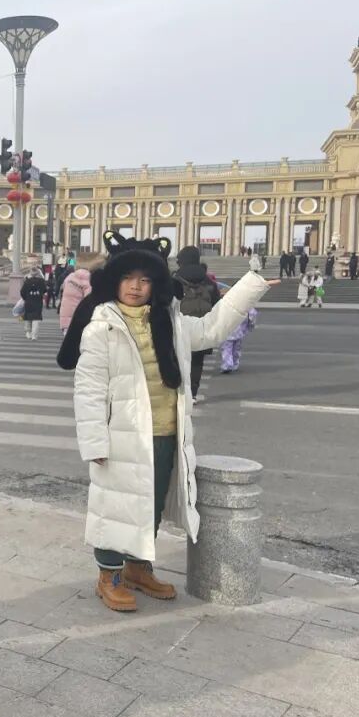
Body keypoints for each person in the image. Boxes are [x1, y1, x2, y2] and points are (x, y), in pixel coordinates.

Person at [57, 231, 272, 613]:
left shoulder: (170, 323)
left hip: (166, 430)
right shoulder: (101, 327)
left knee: (151, 503)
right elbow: (87, 390)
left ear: (154, 284)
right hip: (120, 435)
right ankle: (109, 575)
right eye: (127, 279)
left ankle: (138, 567)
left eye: (144, 280)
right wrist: (94, 442)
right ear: (114, 282)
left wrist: (250, 286)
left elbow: (212, 329)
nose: (135, 287)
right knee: (115, 507)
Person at [173, 246, 221, 405]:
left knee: (178, 358)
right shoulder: (209, 281)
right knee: (197, 362)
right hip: (202, 325)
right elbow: (216, 303)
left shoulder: (174, 278)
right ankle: (192, 393)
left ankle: (178, 391)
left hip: (180, 325)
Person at [59, 252, 104, 333]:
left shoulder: (70, 277)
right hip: (78, 317)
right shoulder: (87, 278)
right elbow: (90, 298)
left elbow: (62, 288)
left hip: (65, 315)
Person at [220, 308, 258, 374]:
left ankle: (227, 365)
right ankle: (234, 363)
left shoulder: (227, 303)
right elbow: (252, 315)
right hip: (239, 331)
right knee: (236, 348)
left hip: (227, 330)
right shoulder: (245, 304)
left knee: (227, 348)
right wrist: (250, 326)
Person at [20, 267, 47, 340]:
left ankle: (28, 332)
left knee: (28, 317)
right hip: (38, 302)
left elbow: (22, 292)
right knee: (36, 318)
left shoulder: (27, 281)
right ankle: (34, 335)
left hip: (28, 302)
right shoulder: (41, 281)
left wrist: (26, 298)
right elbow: (45, 290)